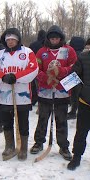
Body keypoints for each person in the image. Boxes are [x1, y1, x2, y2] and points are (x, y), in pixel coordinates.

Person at [0, 28, 38, 161]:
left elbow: (33, 69)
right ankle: (9, 145)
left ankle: (22, 147)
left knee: (23, 122)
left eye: (13, 39)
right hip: (4, 96)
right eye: (8, 40)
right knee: (7, 122)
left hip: (22, 96)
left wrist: (16, 76)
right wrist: (4, 77)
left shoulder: (27, 52)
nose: (10, 42)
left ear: (18, 40)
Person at [30, 25, 77, 161]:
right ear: (48, 38)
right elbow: (36, 69)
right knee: (43, 118)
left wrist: (61, 72)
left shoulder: (69, 50)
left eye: (56, 37)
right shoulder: (41, 52)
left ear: (61, 38)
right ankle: (39, 142)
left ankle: (63, 146)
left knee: (61, 119)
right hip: (45, 91)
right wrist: (46, 78)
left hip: (62, 91)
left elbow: (75, 67)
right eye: (52, 37)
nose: (54, 39)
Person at [67, 44, 90, 170]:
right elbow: (73, 76)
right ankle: (76, 157)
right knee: (81, 132)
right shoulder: (83, 57)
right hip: (85, 102)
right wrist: (82, 90)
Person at [66, 36, 86, 120]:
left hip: (74, 78)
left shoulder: (72, 53)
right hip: (83, 79)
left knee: (74, 95)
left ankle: (73, 112)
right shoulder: (83, 54)